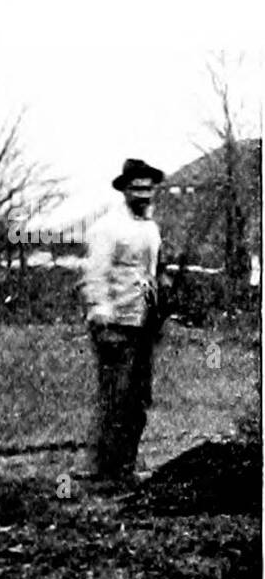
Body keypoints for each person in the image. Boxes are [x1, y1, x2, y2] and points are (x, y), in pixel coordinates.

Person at [80, 158, 164, 483]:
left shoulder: (150, 227)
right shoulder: (107, 228)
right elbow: (95, 274)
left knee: (138, 399)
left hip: (143, 322)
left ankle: (125, 463)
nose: (143, 193)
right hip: (116, 323)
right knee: (117, 396)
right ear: (125, 190)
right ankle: (107, 468)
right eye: (136, 187)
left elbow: (150, 272)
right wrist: (101, 316)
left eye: (148, 187)